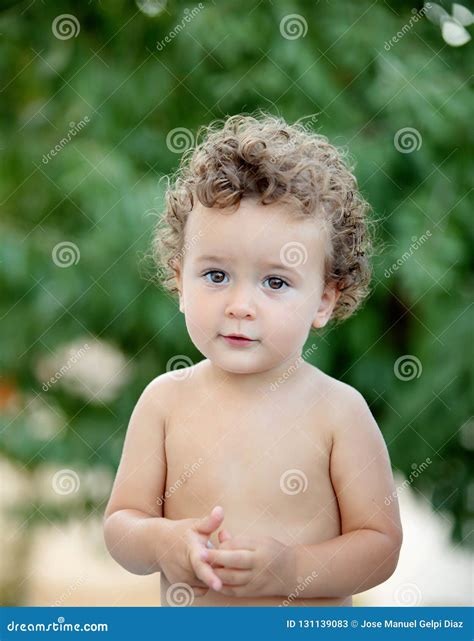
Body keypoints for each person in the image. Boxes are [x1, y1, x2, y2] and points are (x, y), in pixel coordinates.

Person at [103, 112, 403, 607]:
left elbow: (380, 546)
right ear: (180, 281)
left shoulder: (338, 412)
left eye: (275, 282)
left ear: (325, 300)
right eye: (216, 275)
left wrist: (293, 569)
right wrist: (163, 542)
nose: (240, 305)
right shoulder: (165, 402)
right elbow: (121, 526)